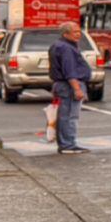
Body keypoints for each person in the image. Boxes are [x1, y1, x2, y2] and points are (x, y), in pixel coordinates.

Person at [47, 23, 93, 156]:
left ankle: (66, 143)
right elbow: (70, 71)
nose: (78, 34)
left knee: (64, 116)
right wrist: (77, 89)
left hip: (62, 85)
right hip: (68, 86)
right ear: (65, 34)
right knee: (69, 117)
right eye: (74, 32)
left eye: (79, 32)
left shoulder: (58, 45)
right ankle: (68, 144)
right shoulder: (66, 48)